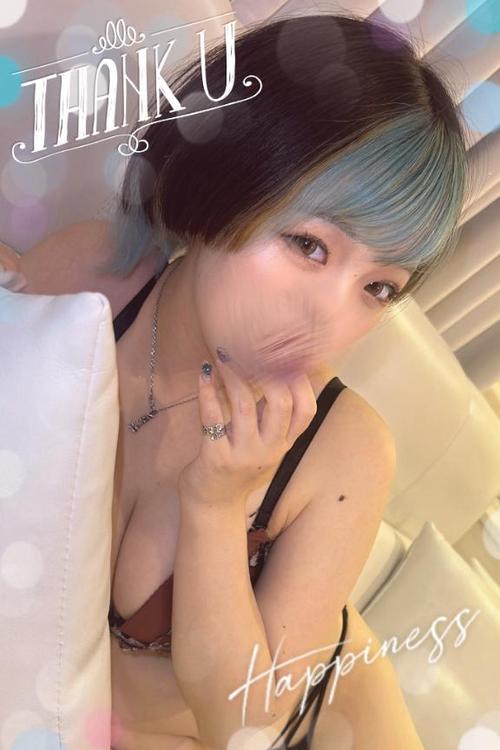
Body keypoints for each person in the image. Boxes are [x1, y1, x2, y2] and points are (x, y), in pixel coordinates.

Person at [17, 11, 470, 750]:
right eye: (309, 245)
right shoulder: (92, 279)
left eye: (379, 288)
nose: (330, 322)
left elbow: (242, 722)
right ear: (225, 180)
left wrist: (217, 509)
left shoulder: (348, 454)